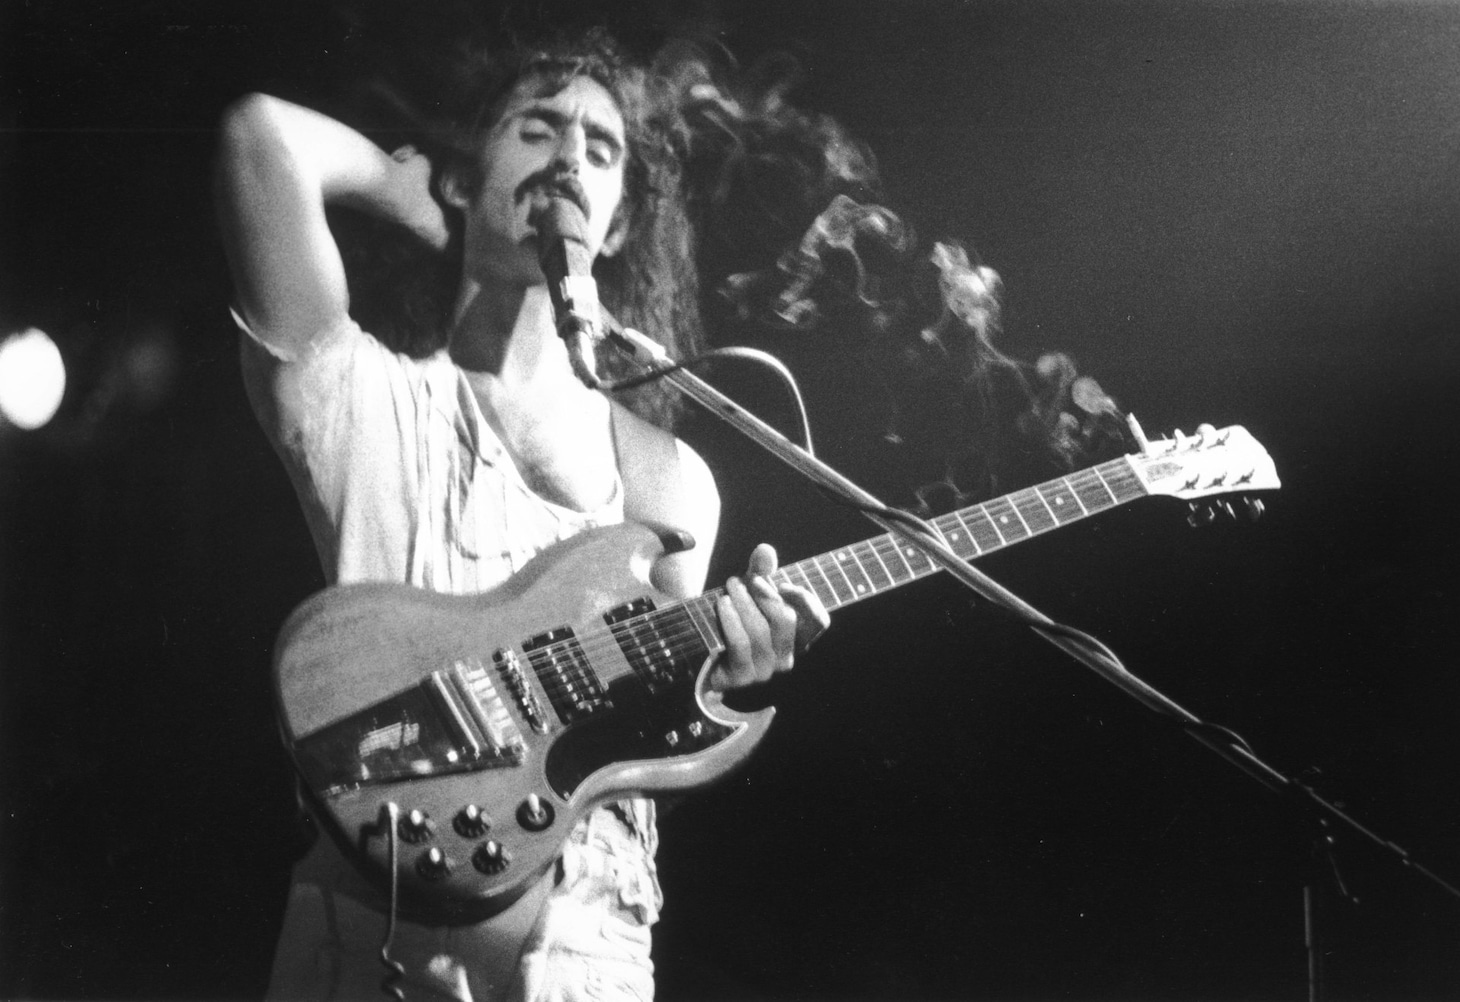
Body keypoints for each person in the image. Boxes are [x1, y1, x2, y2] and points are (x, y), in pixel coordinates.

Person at [215, 28, 829, 1002]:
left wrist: (742, 652)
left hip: (591, 955)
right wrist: (397, 183)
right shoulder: (364, 401)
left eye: (601, 148)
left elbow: (653, 730)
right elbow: (262, 141)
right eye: (536, 130)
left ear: (621, 226)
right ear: (468, 177)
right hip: (378, 938)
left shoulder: (671, 483)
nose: (568, 159)